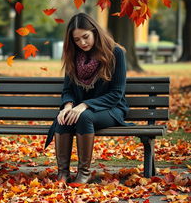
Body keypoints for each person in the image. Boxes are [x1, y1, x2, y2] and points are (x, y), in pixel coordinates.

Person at [45, 13, 132, 184]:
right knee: (63, 118)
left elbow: (116, 93)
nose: (82, 43)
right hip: (81, 109)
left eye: (85, 37)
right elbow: (68, 89)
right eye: (77, 40)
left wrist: (85, 105)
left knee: (84, 116)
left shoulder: (115, 53)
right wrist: (68, 105)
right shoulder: (73, 55)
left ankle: (83, 173)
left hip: (112, 109)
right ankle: (63, 173)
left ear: (95, 32)